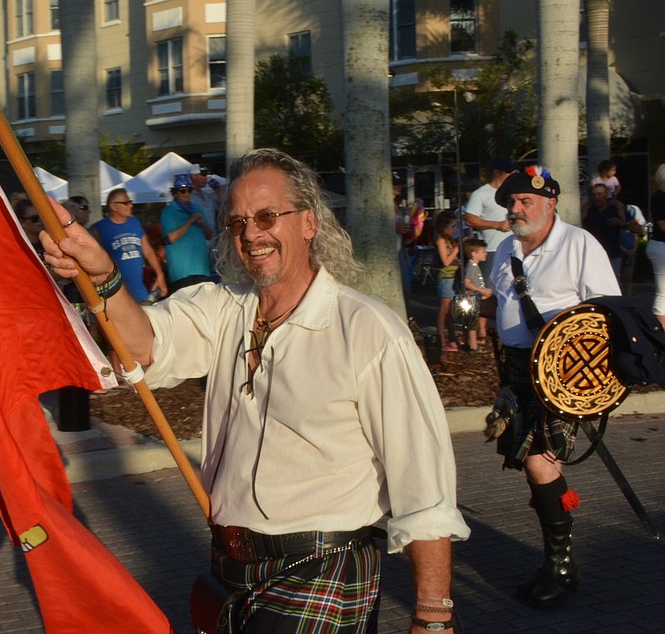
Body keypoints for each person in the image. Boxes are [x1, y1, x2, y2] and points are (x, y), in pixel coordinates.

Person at [42, 148, 469, 633]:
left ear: (309, 223)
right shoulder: (223, 308)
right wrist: (103, 275)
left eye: (268, 216)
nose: (251, 233)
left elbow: (424, 481)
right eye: (238, 221)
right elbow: (143, 347)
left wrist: (433, 614)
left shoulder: (368, 330)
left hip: (323, 568)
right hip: (230, 566)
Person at [490, 165, 620, 608]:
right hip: (515, 370)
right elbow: (501, 300)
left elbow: (606, 313)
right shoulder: (505, 248)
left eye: (525, 201)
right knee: (534, 464)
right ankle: (557, 563)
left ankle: (561, 567)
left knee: (540, 464)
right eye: (511, 202)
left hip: (561, 372)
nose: (515, 209)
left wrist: (584, 377)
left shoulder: (579, 244)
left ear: (550, 204)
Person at [92, 188, 168, 303]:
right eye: (126, 203)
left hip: (140, 294)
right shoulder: (99, 229)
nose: (131, 205)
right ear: (113, 206)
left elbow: (147, 251)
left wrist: (160, 275)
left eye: (130, 202)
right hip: (116, 296)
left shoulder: (135, 223)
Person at [464, 156, 515, 279]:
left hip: (514, 247)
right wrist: (497, 224)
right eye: (508, 172)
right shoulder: (480, 194)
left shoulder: (513, 192)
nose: (511, 175)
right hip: (491, 250)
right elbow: (469, 219)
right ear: (496, 172)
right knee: (490, 287)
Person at [161, 174, 213, 294]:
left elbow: (209, 235)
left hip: (202, 269)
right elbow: (171, 238)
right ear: (175, 194)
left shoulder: (197, 209)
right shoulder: (169, 211)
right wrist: (190, 221)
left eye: (189, 190)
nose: (187, 194)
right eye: (182, 191)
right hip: (182, 272)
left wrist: (203, 225)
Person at [581, 183, 625, 281]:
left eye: (600, 194)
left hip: (612, 254)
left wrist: (622, 223)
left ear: (606, 194)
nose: (596, 197)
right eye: (594, 195)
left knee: (613, 283)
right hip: (592, 254)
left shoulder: (615, 209)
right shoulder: (588, 210)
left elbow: (638, 228)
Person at [433, 210, 461, 352]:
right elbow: (445, 261)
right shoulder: (441, 240)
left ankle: (452, 337)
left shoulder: (450, 240)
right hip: (445, 278)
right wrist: (456, 250)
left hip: (452, 277)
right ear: (444, 226)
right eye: (452, 226)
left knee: (449, 310)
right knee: (444, 309)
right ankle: (441, 339)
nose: (454, 229)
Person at [462, 237, 493, 349]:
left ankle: (470, 343)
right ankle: (473, 346)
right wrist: (482, 291)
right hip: (472, 298)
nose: (486, 254)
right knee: (472, 322)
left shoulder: (474, 266)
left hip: (475, 297)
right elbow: (467, 282)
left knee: (472, 321)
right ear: (474, 254)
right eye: (483, 252)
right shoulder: (472, 267)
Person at [649, 164, 665, 330]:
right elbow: (662, 224)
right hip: (661, 247)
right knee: (663, 293)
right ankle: (660, 333)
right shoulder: (659, 197)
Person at [189, 164, 222, 234]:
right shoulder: (188, 197)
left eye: (206, 175)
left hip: (213, 240)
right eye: (203, 175)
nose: (206, 178)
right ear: (194, 176)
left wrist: (218, 190)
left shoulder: (208, 196)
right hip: (199, 239)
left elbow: (223, 208)